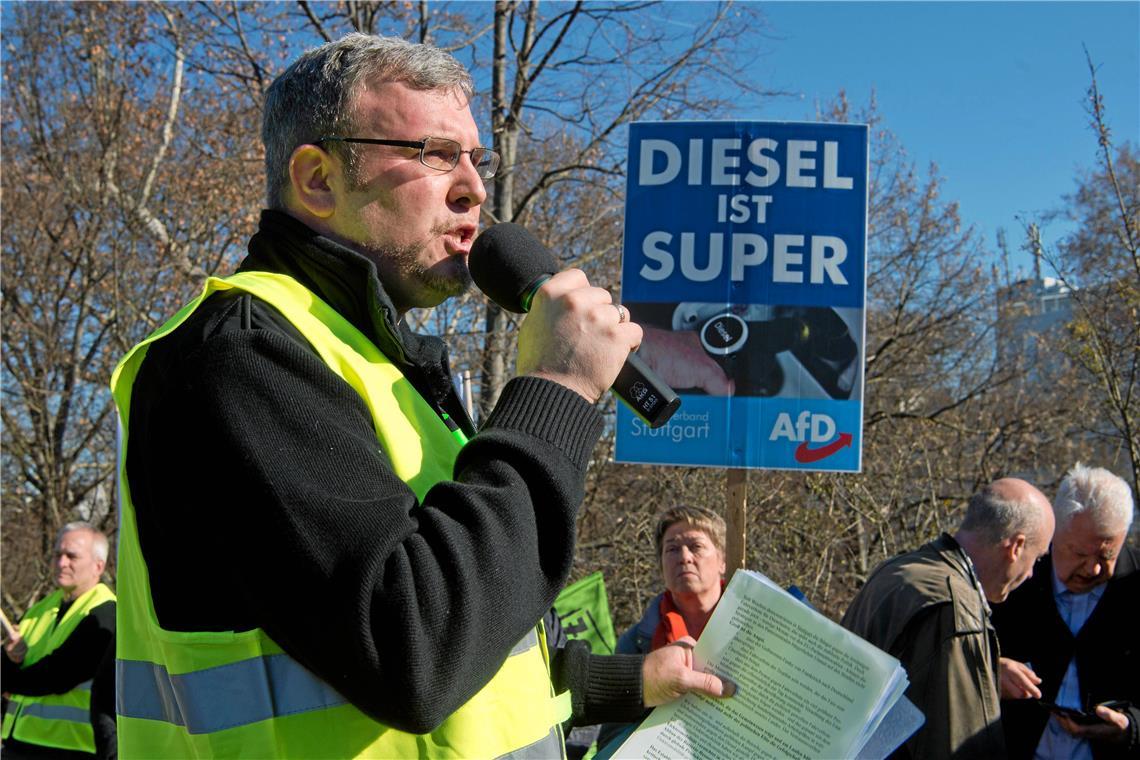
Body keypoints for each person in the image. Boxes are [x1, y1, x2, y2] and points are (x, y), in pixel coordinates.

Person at [109, 33, 729, 758]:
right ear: (317, 181)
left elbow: (484, 643)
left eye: (477, 160)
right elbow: (414, 650)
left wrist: (631, 681)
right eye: (435, 154)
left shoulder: (379, 363)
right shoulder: (237, 354)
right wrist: (555, 389)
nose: (473, 188)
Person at [840, 478, 1055, 760]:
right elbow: (962, 746)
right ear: (1016, 546)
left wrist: (984, 673)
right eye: (1036, 558)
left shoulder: (899, 569)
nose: (1031, 574)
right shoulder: (956, 609)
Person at [992, 464, 1139, 759]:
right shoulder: (1011, 576)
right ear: (1053, 532)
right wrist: (991, 670)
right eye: (1080, 553)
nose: (1093, 568)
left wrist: (1131, 727)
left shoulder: (1134, 585)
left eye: (1107, 554)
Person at [596, 505, 730, 751]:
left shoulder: (756, 628)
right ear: (661, 565)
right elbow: (610, 740)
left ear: (723, 561)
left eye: (696, 546)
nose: (684, 557)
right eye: (672, 549)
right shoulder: (637, 644)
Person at [2, 523, 116, 759]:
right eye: (57, 555)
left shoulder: (106, 614)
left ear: (99, 565)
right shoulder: (40, 609)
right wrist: (11, 657)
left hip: (71, 748)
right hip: (18, 745)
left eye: (72, 556)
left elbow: (57, 675)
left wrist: (9, 680)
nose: (61, 563)